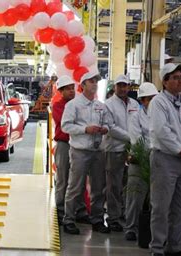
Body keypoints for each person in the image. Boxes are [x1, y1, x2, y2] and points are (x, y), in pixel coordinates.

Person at [148, 63, 181, 256]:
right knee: (161, 207)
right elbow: (162, 131)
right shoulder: (158, 102)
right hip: (165, 159)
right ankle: (157, 248)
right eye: (176, 78)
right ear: (165, 81)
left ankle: (176, 247)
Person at [61, 70, 110, 235]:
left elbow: (109, 124)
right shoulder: (73, 105)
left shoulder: (100, 106)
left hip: (98, 151)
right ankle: (68, 219)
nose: (95, 84)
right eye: (91, 81)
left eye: (96, 81)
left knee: (98, 187)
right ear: (82, 86)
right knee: (75, 186)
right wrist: (85, 129)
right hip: (80, 151)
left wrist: (105, 129)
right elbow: (65, 126)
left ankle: (97, 220)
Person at [104, 75, 140, 232]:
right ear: (114, 87)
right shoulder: (108, 105)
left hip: (133, 150)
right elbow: (110, 128)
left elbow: (140, 123)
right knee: (114, 185)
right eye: (120, 86)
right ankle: (113, 218)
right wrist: (131, 137)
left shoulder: (134, 104)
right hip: (114, 149)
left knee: (129, 185)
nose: (123, 89)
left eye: (125, 86)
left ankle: (127, 215)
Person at [124, 82, 158, 241]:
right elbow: (137, 140)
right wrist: (154, 149)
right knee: (135, 198)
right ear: (142, 101)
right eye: (148, 99)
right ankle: (131, 228)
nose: (151, 102)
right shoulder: (135, 117)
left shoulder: (162, 115)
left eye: (154, 98)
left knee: (155, 200)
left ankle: (152, 230)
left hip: (159, 161)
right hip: (140, 160)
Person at [51, 75, 88, 224]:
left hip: (78, 144)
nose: (71, 91)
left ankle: (78, 210)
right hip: (64, 144)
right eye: (68, 89)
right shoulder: (58, 106)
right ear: (61, 91)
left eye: (72, 88)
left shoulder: (79, 104)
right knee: (63, 179)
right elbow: (68, 123)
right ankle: (61, 211)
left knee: (78, 180)